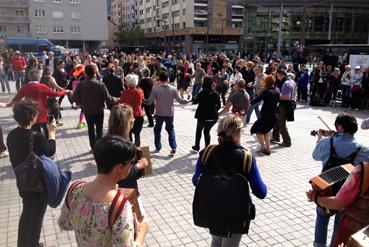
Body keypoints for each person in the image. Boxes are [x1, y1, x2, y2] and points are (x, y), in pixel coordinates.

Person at [58, 136, 149, 246]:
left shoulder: (75, 189)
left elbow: (64, 224)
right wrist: (140, 236)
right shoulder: (120, 206)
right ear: (120, 168)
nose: (132, 165)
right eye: (131, 163)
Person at [192, 115, 267, 247]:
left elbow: (195, 181)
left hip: (213, 208)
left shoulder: (207, 152)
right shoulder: (246, 157)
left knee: (216, 240)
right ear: (237, 134)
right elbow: (261, 192)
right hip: (235, 214)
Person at [311, 112, 369, 247]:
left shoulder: (327, 142)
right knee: (339, 223)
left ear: (340, 127)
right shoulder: (363, 150)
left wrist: (320, 139)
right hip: (349, 196)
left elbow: (315, 155)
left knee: (321, 219)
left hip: (326, 190)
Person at [7, 99, 57, 247]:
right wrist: (52, 133)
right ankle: (33, 244)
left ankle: (22, 243)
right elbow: (50, 151)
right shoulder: (36, 136)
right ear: (31, 116)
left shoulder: (11, 135)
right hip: (37, 183)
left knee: (27, 210)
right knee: (36, 217)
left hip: (22, 180)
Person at [8, 69, 69, 137]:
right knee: (47, 133)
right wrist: (65, 91)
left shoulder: (24, 87)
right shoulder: (42, 86)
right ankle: (47, 144)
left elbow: (16, 99)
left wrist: (7, 104)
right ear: (39, 77)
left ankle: (37, 144)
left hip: (31, 114)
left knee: (36, 134)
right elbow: (56, 94)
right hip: (42, 113)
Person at [144, 71, 189, 155]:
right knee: (170, 130)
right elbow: (180, 101)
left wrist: (142, 99)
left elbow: (149, 102)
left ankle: (158, 146)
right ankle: (173, 147)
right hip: (169, 113)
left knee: (157, 130)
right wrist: (188, 101)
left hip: (159, 113)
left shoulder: (155, 88)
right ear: (168, 79)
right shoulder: (173, 88)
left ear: (159, 79)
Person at [72, 64, 115, 150]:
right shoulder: (100, 84)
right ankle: (99, 147)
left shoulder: (81, 84)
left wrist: (71, 95)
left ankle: (93, 146)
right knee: (99, 130)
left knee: (90, 130)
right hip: (98, 111)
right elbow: (108, 98)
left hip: (87, 111)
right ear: (95, 72)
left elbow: (75, 98)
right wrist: (115, 99)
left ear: (85, 73)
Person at [250, 75, 280, 155]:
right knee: (266, 132)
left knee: (256, 129)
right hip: (273, 116)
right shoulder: (277, 91)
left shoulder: (266, 92)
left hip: (266, 116)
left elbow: (256, 100)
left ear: (266, 82)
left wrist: (248, 101)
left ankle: (263, 147)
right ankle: (268, 149)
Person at [192, 77, 221, 152]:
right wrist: (214, 111)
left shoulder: (201, 93)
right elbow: (219, 106)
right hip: (213, 118)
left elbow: (195, 101)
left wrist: (194, 97)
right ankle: (207, 149)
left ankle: (197, 146)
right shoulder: (216, 93)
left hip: (202, 117)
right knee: (207, 132)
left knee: (199, 131)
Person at [271, 70, 297, 147]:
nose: (277, 77)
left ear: (281, 75)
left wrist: (276, 95)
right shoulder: (291, 81)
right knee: (277, 120)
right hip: (287, 104)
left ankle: (287, 141)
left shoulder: (286, 83)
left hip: (285, 104)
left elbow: (287, 97)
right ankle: (276, 137)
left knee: (282, 123)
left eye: (277, 75)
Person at [119, 74, 144, 147]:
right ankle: (137, 150)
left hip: (127, 115)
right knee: (137, 135)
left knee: (128, 133)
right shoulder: (140, 91)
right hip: (138, 114)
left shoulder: (125, 92)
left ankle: (130, 149)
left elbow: (121, 103)